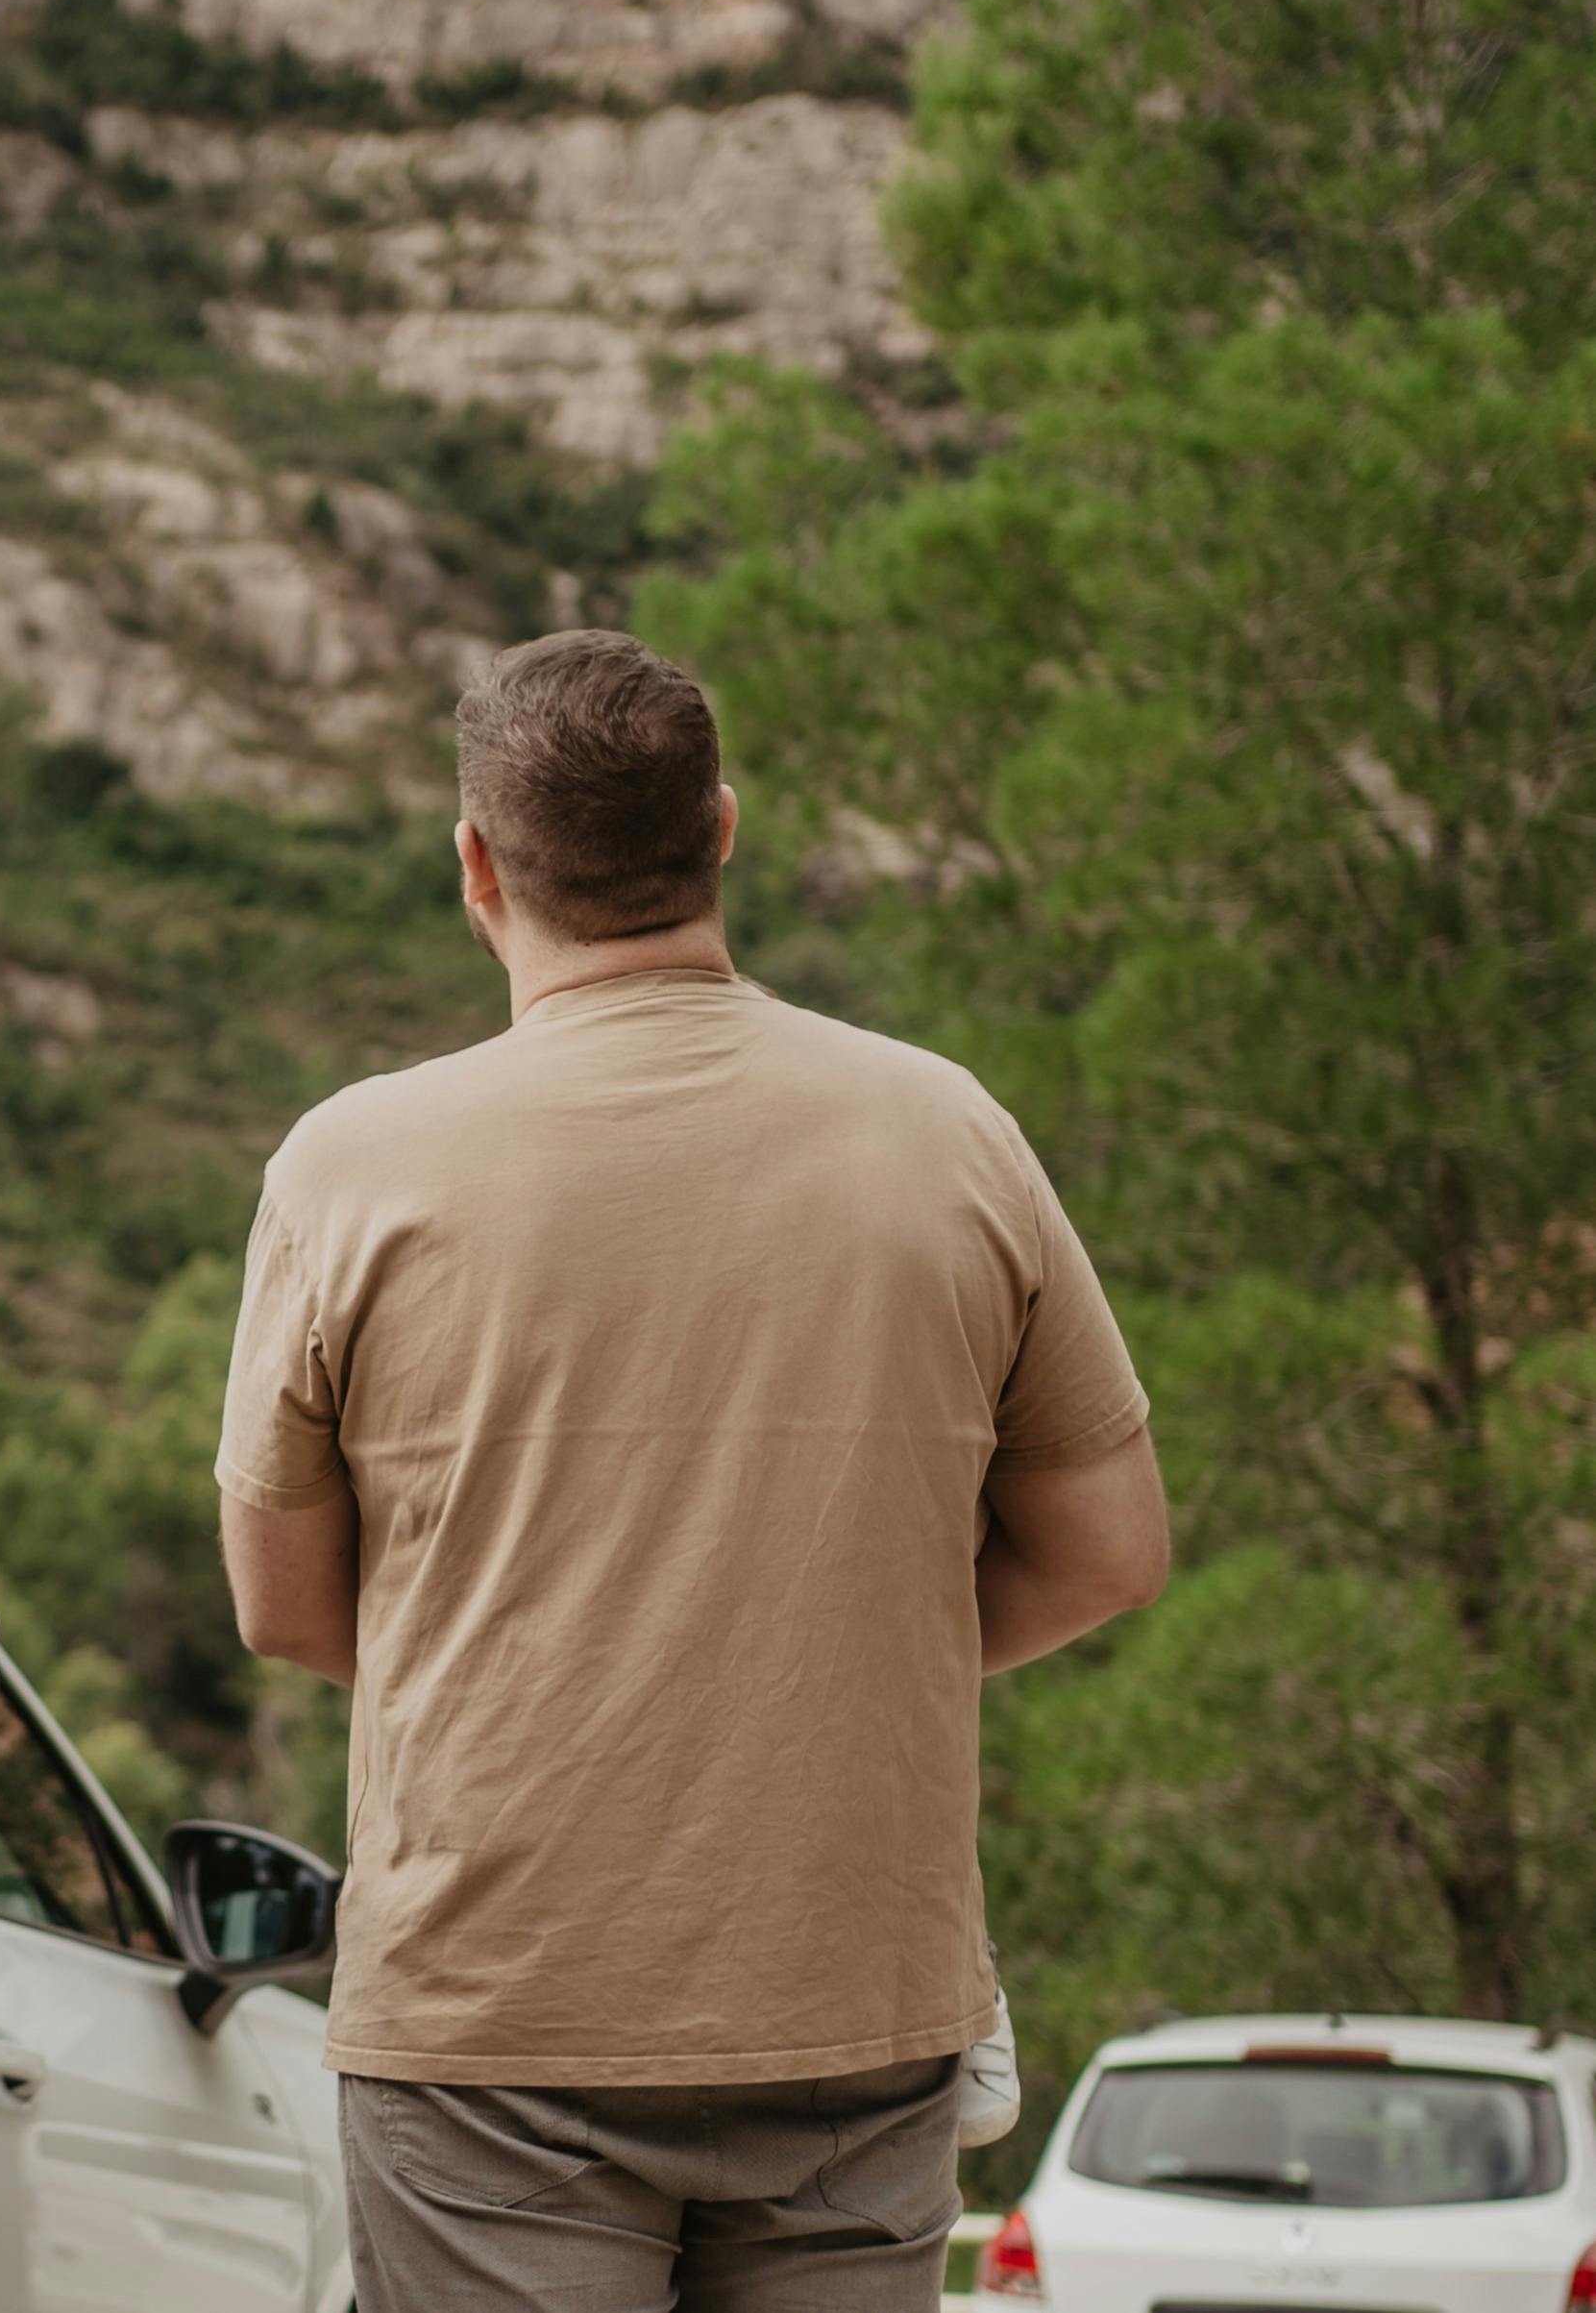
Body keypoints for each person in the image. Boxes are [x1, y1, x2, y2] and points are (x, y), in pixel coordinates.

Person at [215, 630, 1172, 2312]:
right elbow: (1108, 1548)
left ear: (477, 866)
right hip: (851, 1993)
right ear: (722, 828)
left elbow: (285, 1606)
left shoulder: (348, 1167)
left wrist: (560, 1664)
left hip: (494, 2012)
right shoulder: (949, 1132)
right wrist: (839, 1639)